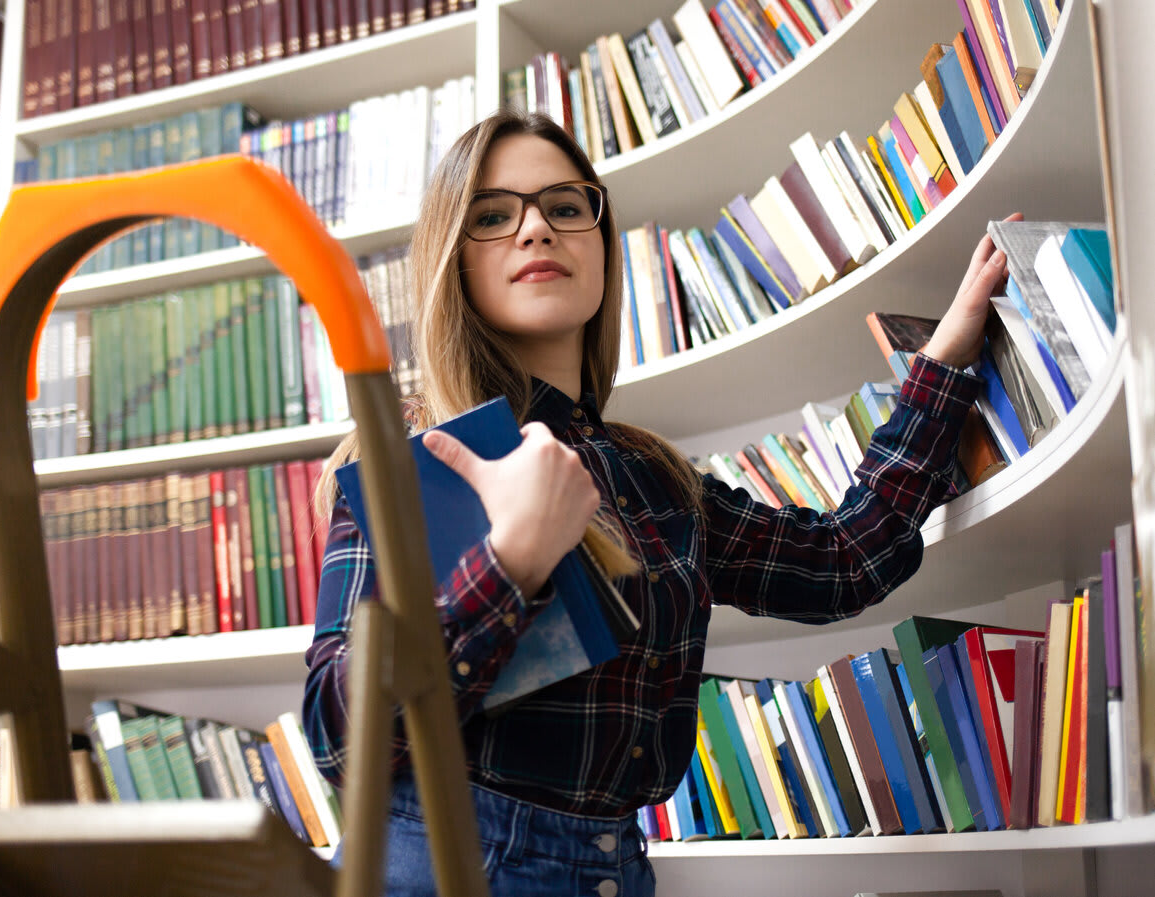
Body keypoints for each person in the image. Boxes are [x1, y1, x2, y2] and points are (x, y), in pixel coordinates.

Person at [303, 109, 1007, 896]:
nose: (536, 229)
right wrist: (511, 561)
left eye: (565, 208)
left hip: (613, 870)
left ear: (602, 250)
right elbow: (340, 738)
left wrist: (943, 361)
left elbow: (843, 561)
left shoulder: (655, 477)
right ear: (451, 261)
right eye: (493, 216)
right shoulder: (414, 457)